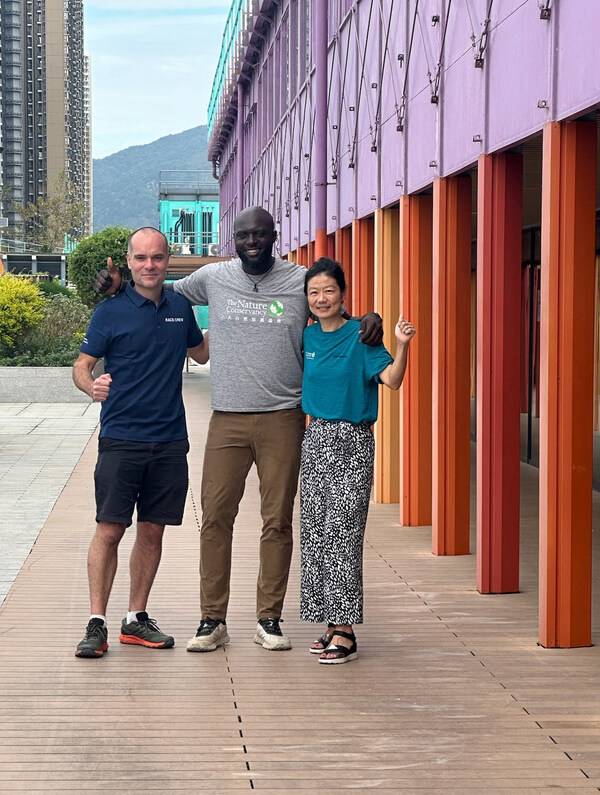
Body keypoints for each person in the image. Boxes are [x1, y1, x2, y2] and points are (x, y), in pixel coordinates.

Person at [96, 207, 383, 653]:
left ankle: (269, 618)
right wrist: (119, 288)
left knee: (278, 521)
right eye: (243, 234)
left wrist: (369, 317)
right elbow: (160, 290)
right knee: (214, 519)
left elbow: (331, 307)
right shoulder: (213, 277)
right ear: (234, 238)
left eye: (260, 233)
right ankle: (213, 619)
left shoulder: (297, 278)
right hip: (227, 416)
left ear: (274, 235)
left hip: (283, 417)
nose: (252, 240)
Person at [72, 227, 209, 658]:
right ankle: (97, 622)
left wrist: (235, 316)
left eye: (158, 258)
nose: (150, 265)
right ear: (129, 262)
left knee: (153, 530)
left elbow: (201, 354)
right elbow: (82, 364)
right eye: (141, 258)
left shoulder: (180, 307)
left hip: (169, 440)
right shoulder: (110, 311)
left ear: (168, 261)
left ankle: (136, 619)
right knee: (110, 529)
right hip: (121, 439)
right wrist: (90, 386)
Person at [300, 257, 415, 664]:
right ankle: (328, 622)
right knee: (315, 534)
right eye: (314, 292)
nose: (321, 298)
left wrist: (402, 345)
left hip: (352, 441)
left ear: (342, 294)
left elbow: (393, 380)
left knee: (343, 535)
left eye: (329, 290)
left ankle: (346, 631)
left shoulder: (361, 337)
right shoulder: (307, 339)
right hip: (314, 441)